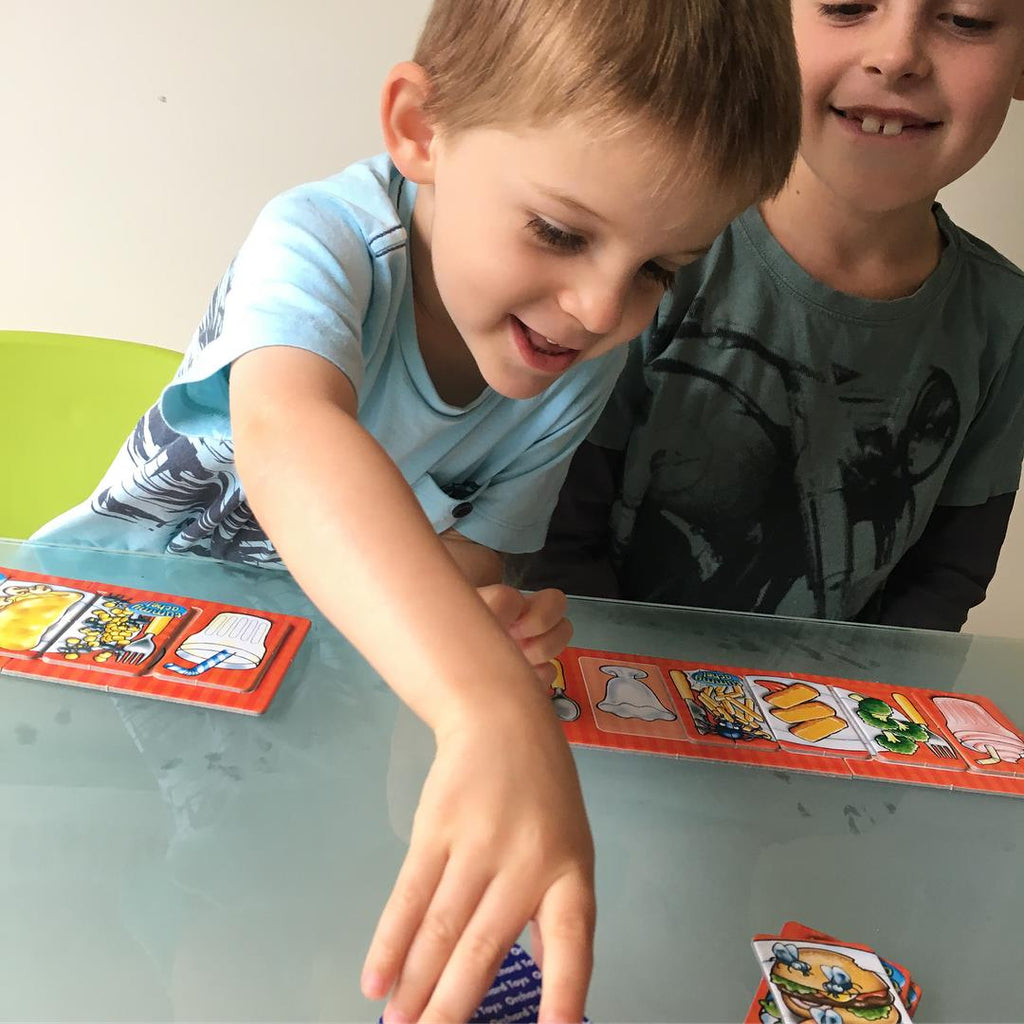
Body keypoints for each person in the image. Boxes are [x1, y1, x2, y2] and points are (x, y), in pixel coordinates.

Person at [34, 0, 800, 1018]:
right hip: (82, 667)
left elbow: (470, 565)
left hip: (290, 712)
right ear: (420, 128)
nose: (599, 310)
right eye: (560, 232)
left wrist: (484, 627)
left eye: (658, 269)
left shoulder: (570, 366)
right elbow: (289, 434)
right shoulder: (325, 241)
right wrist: (490, 704)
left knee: (255, 934)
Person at [522, 0, 1024, 634]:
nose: (896, 57)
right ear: (765, 28)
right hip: (601, 680)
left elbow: (944, 582)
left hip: (835, 697)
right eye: (846, 5)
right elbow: (553, 537)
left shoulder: (1004, 321)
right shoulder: (654, 254)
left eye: (967, 19)